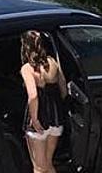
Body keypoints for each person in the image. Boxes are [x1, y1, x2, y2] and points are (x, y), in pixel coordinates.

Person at [20, 30, 67, 173]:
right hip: (55, 117)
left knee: (39, 168)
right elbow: (63, 87)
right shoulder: (53, 62)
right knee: (48, 163)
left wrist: (34, 119)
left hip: (40, 118)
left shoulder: (27, 69)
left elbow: (33, 96)